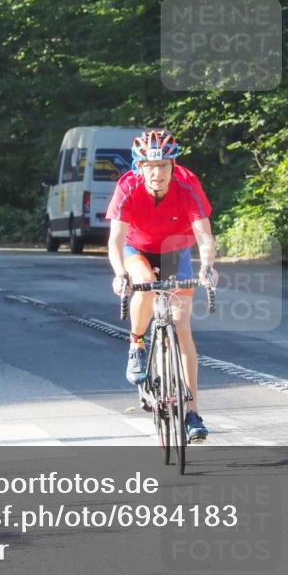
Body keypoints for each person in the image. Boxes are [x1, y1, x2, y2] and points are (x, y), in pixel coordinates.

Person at [106, 130, 218, 443]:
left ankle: (192, 413)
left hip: (174, 250)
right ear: (139, 167)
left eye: (164, 166)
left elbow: (204, 236)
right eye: (151, 166)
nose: (158, 173)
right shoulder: (127, 187)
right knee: (143, 283)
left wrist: (207, 267)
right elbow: (115, 241)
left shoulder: (187, 183)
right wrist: (119, 274)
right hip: (137, 249)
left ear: (173, 166)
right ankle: (137, 344)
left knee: (181, 327)